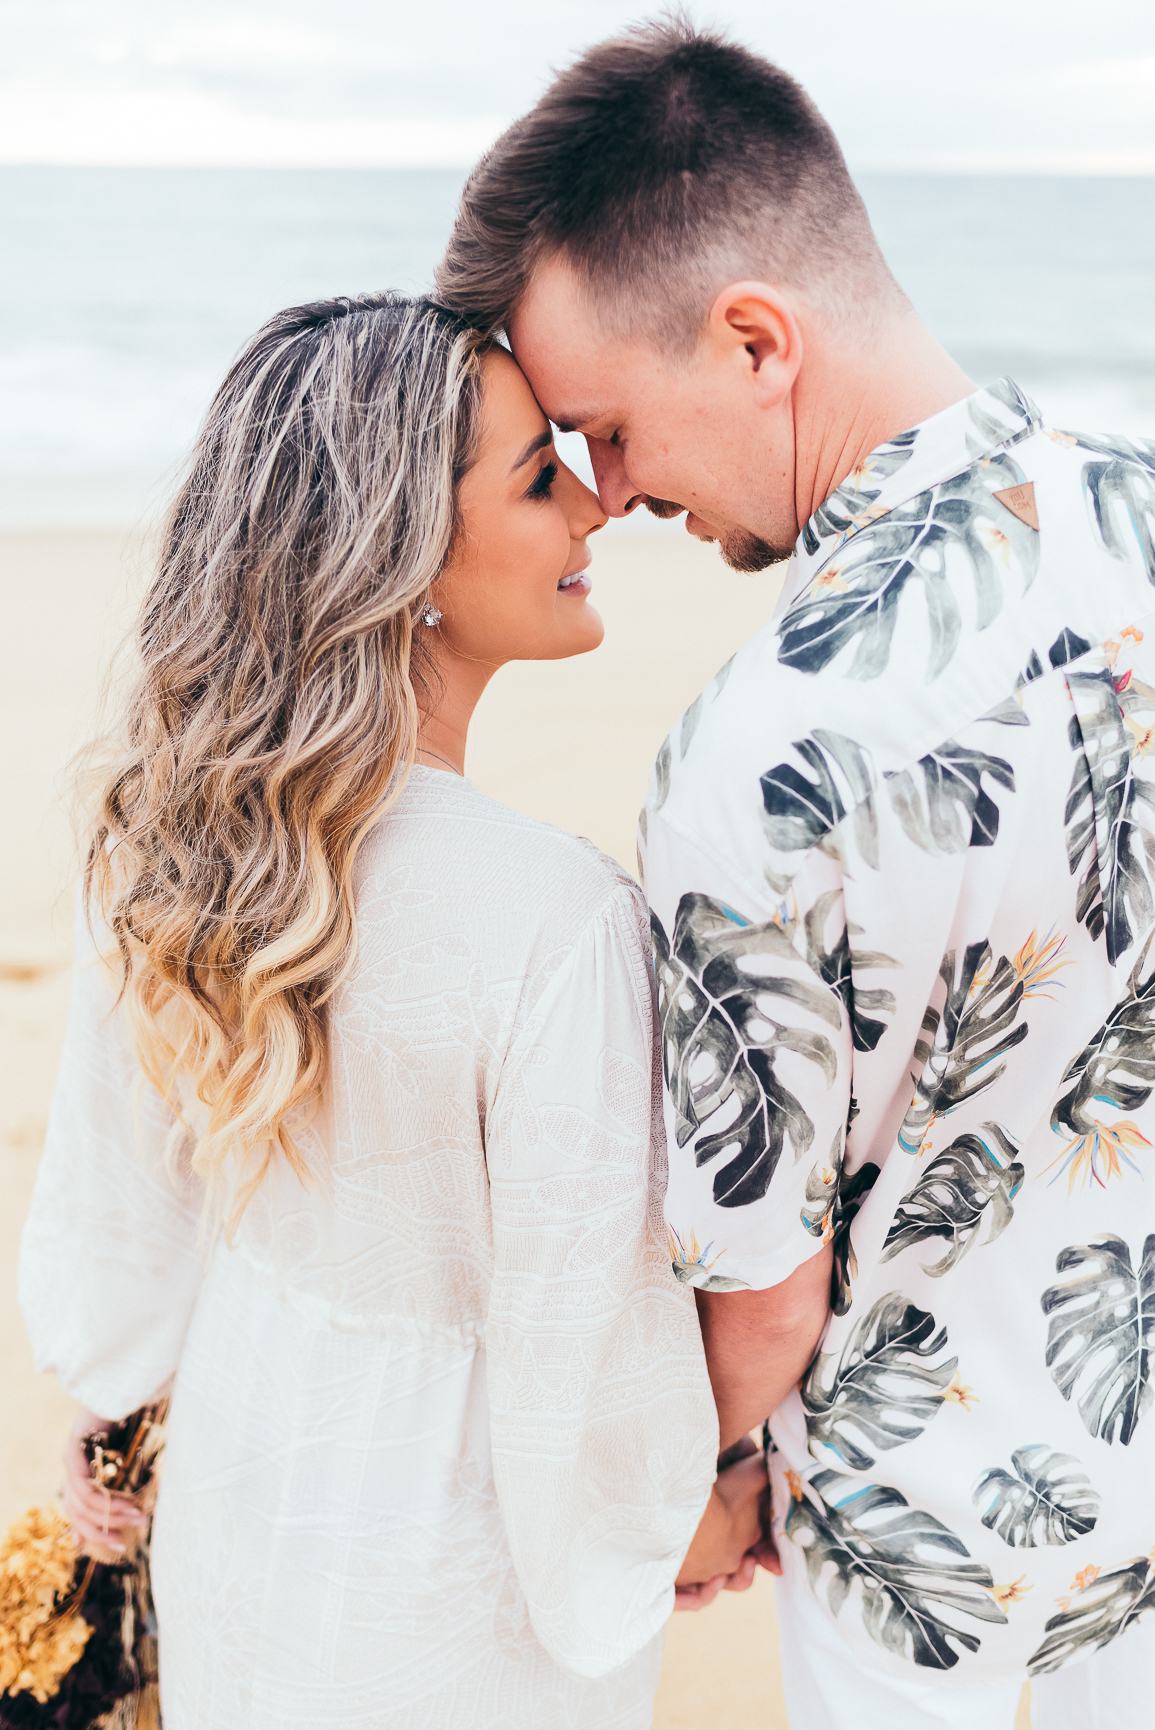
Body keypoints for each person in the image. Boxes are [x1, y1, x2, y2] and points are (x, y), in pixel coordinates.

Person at [434, 19, 1155, 1729]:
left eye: (605, 426)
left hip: (937, 1581)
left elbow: (764, 1297)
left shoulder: (753, 765)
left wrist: (686, 1488)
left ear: (756, 338)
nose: (608, 495)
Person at [18, 291, 768, 1730]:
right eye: (540, 478)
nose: (594, 512)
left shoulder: (167, 842)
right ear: (407, 558)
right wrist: (702, 1516)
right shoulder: (552, 920)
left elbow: (122, 1224)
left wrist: (114, 1408)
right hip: (454, 1611)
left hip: (241, 1530)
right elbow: (581, 1366)